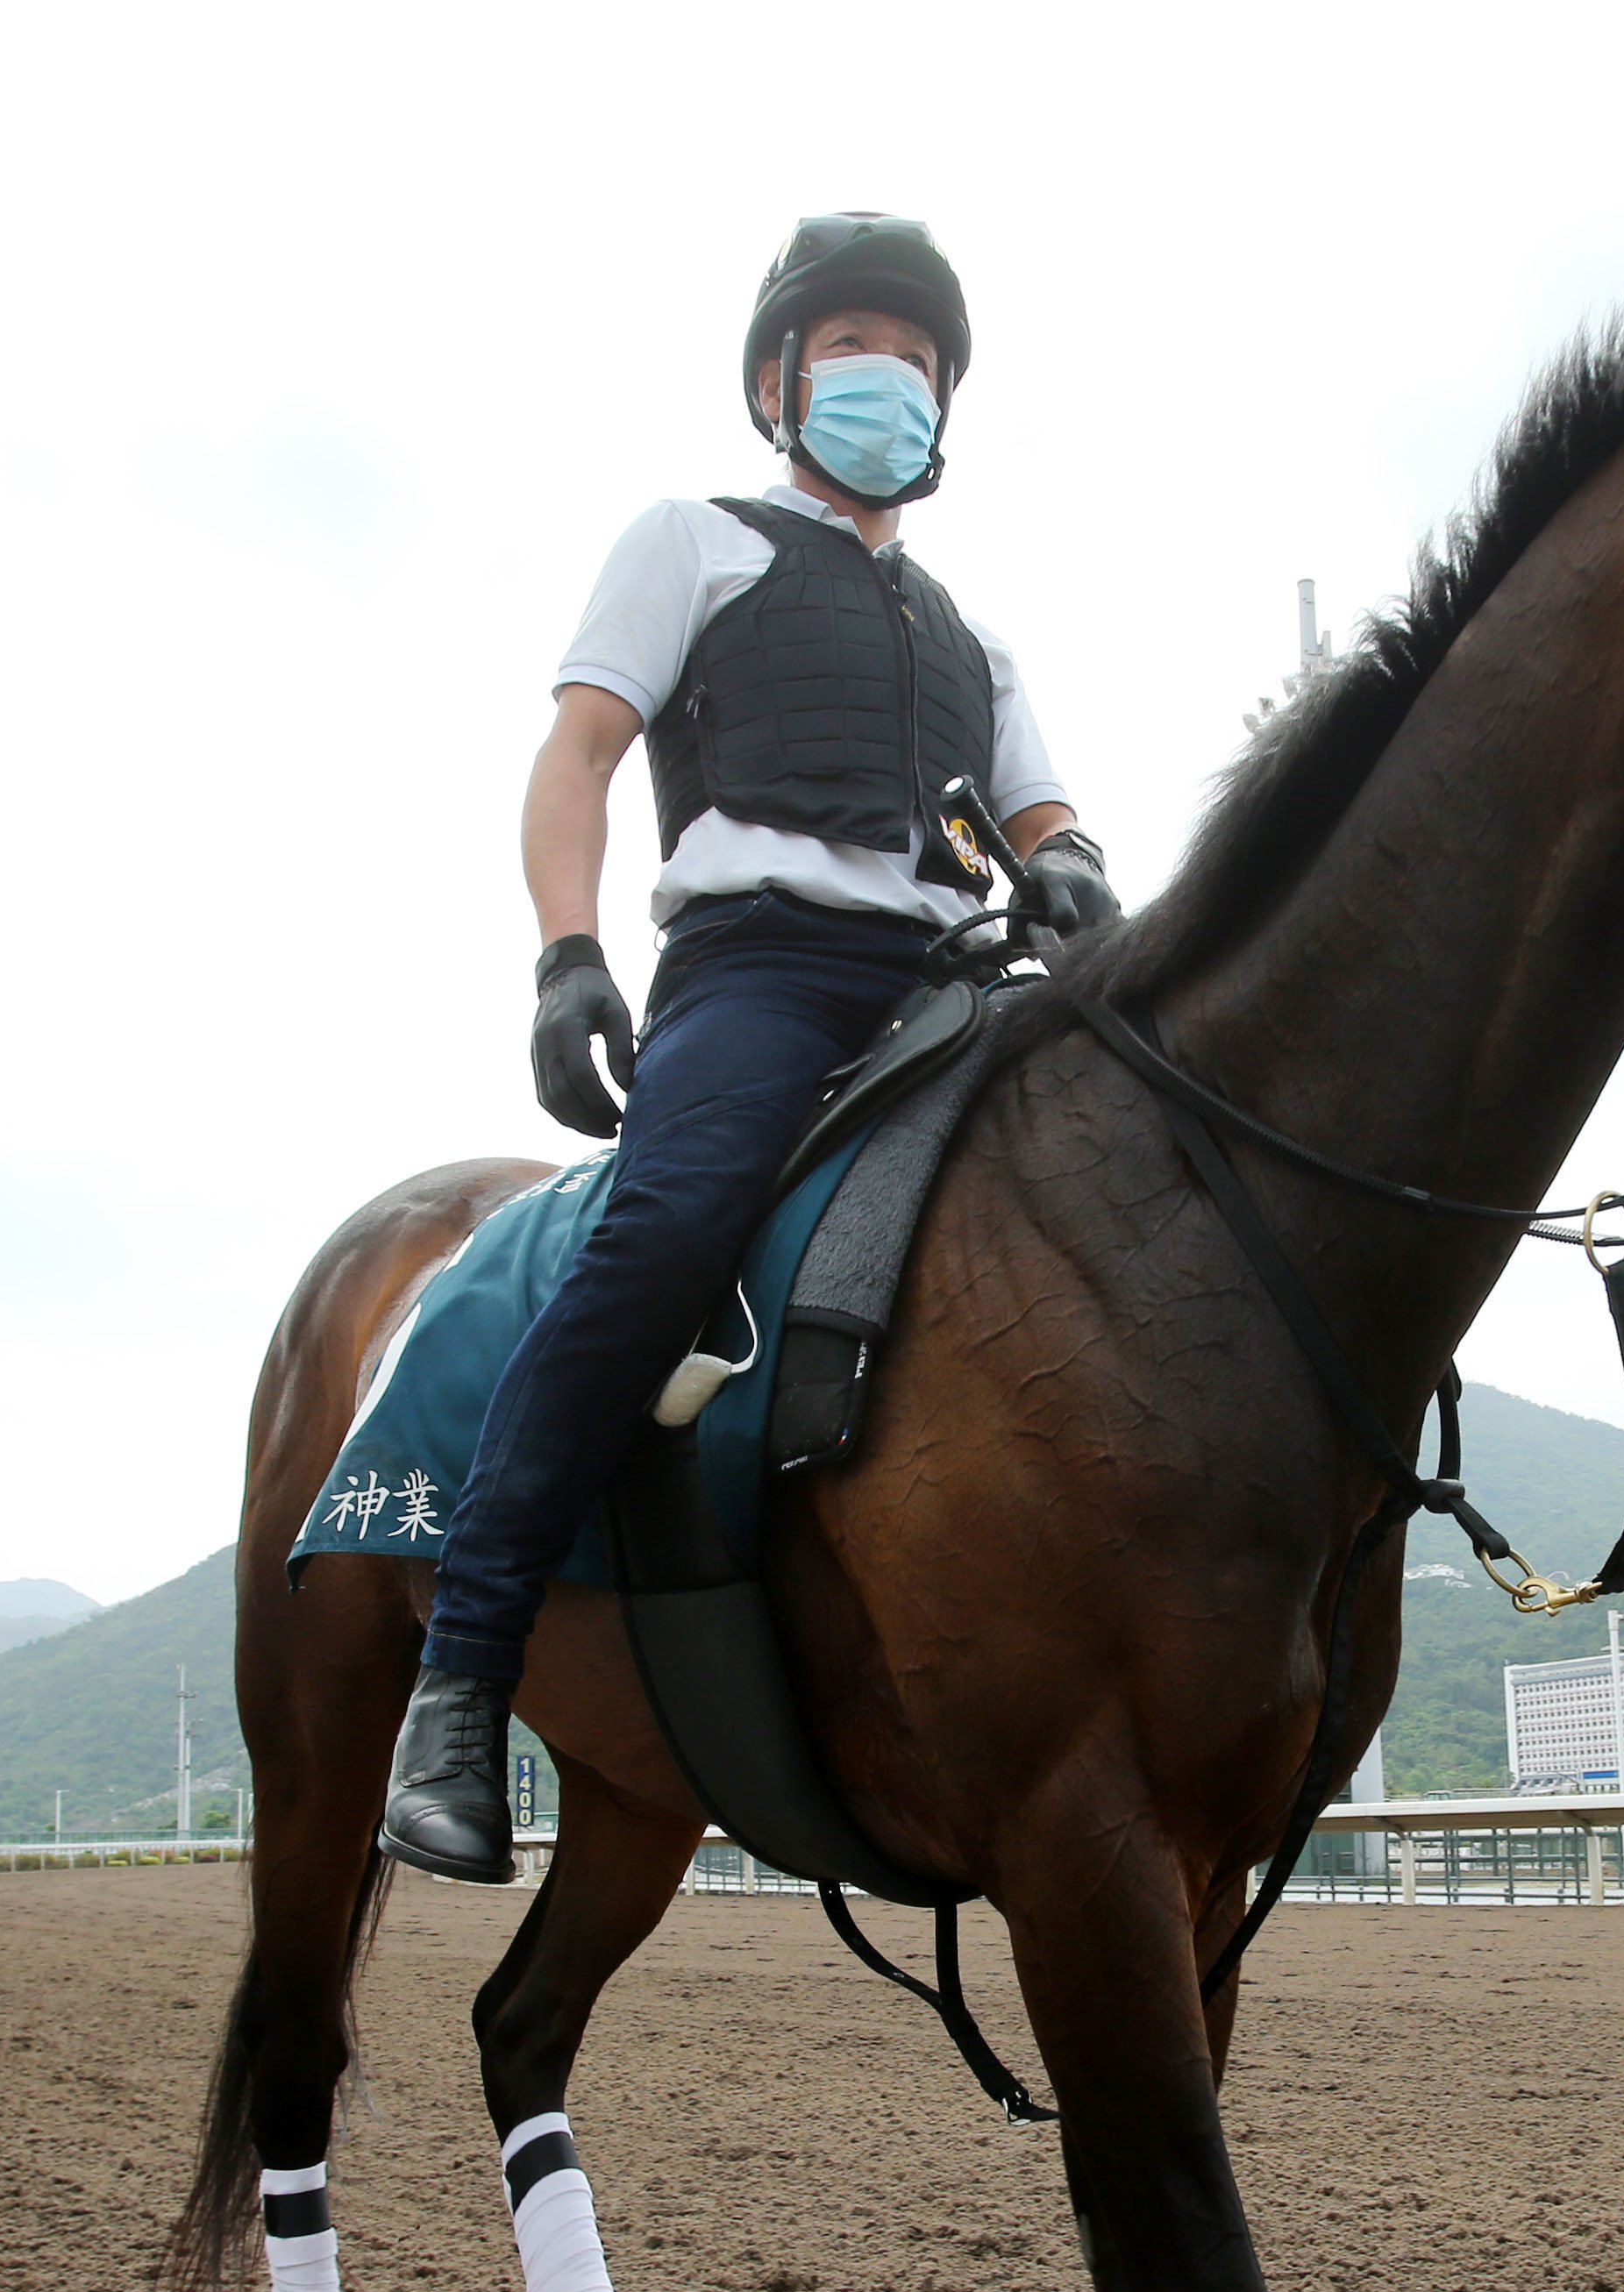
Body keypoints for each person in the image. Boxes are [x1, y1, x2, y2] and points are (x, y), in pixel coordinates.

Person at [377, 213, 1119, 1881]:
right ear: (780, 381)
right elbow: (576, 757)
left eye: (919, 360)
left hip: (948, 981)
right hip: (763, 974)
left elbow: (1052, 821)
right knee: (661, 1234)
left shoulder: (972, 640)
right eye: (858, 347)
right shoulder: (691, 543)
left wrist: (1067, 863)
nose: (893, 379)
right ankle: (462, 1677)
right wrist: (566, 956)